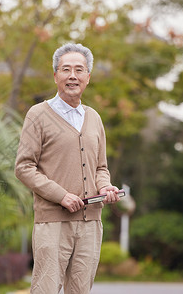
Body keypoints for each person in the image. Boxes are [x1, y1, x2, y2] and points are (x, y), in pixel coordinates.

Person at [15, 43, 122, 294]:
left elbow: (101, 167)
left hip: (90, 224)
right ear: (55, 76)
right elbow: (24, 167)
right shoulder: (37, 115)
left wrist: (105, 186)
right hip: (53, 223)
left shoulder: (94, 117)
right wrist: (61, 195)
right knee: (46, 290)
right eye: (66, 70)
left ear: (88, 77)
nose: (72, 76)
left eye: (79, 70)